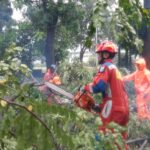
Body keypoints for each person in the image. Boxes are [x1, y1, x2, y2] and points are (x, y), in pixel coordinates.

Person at [74, 41, 129, 149]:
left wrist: (84, 88)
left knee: (102, 137)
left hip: (113, 109)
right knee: (119, 141)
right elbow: (114, 93)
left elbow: (98, 86)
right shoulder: (115, 69)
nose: (98, 56)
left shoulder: (106, 66)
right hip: (123, 109)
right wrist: (100, 106)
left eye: (99, 54)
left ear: (106, 54)